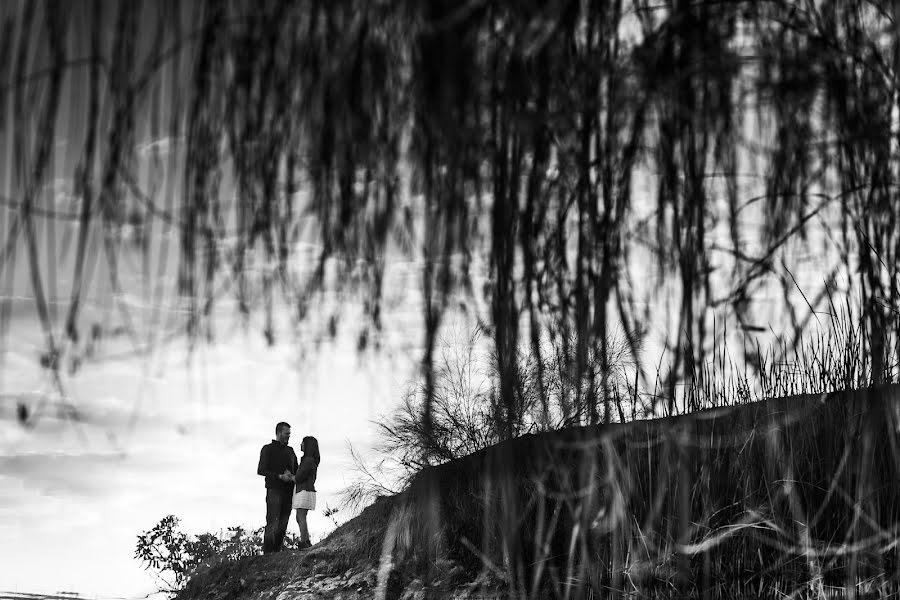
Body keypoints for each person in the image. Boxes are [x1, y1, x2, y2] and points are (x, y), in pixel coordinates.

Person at [257, 422, 298, 554]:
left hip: (288, 491)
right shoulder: (267, 449)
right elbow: (261, 470)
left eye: (289, 434)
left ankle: (277, 550)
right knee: (273, 521)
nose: (288, 437)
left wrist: (291, 477)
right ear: (279, 433)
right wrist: (279, 476)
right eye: (286, 434)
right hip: (274, 489)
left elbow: (297, 471)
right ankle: (268, 553)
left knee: (284, 521)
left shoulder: (291, 451)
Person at [292, 436, 320, 548]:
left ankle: (304, 541)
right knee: (301, 517)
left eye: (302, 443)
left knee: (300, 516)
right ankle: (306, 540)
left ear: (307, 445)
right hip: (308, 490)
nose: (301, 445)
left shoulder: (308, 460)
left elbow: (299, 477)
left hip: (304, 490)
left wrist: (290, 476)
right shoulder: (312, 460)